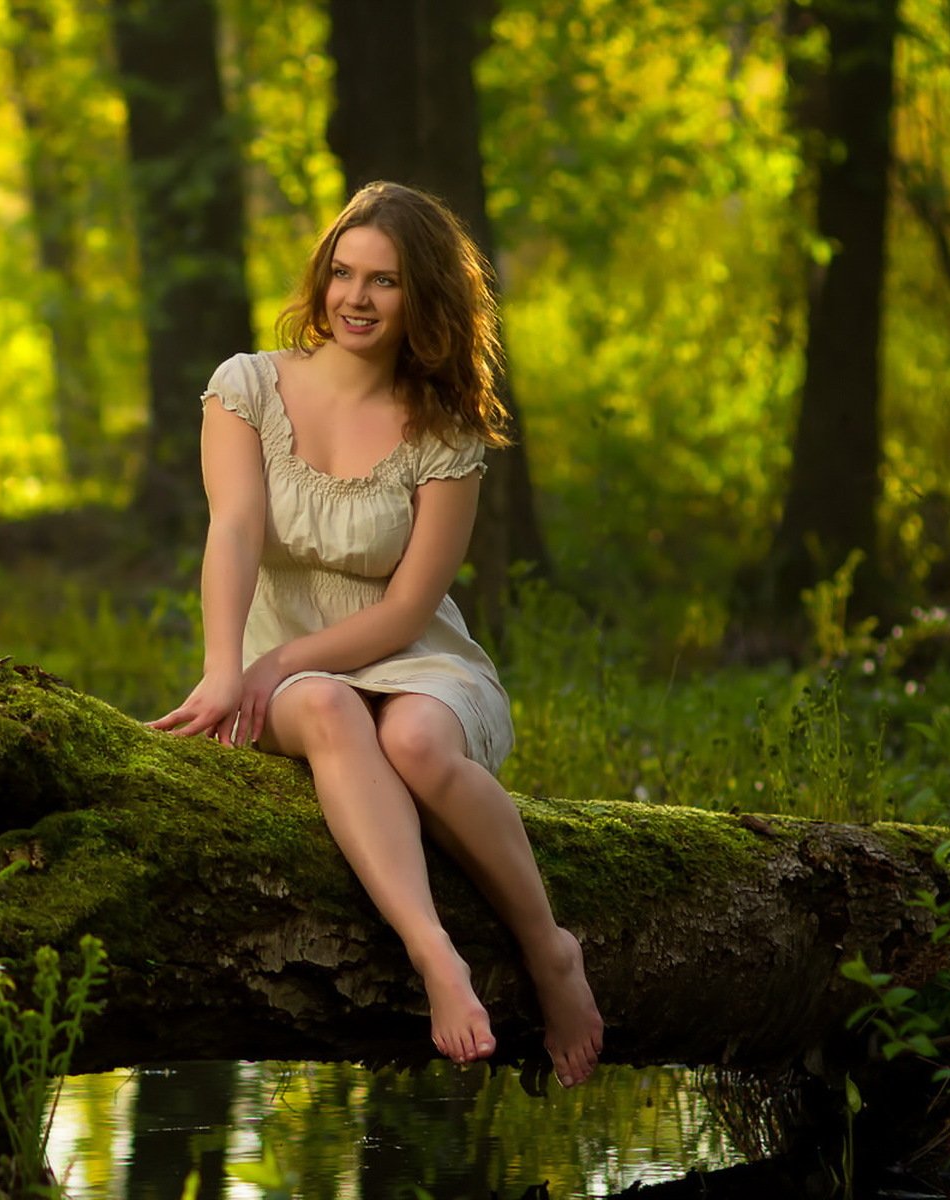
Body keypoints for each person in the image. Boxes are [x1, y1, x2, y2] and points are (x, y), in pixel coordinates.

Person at [150, 181, 604, 1088]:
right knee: (324, 705)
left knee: (419, 743)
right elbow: (233, 529)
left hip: (415, 659)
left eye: (384, 281)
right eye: (343, 273)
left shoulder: (445, 430)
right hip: (292, 674)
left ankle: (551, 949)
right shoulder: (247, 388)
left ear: (421, 297)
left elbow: (405, 611)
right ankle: (436, 954)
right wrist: (227, 667)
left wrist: (279, 661)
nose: (355, 298)